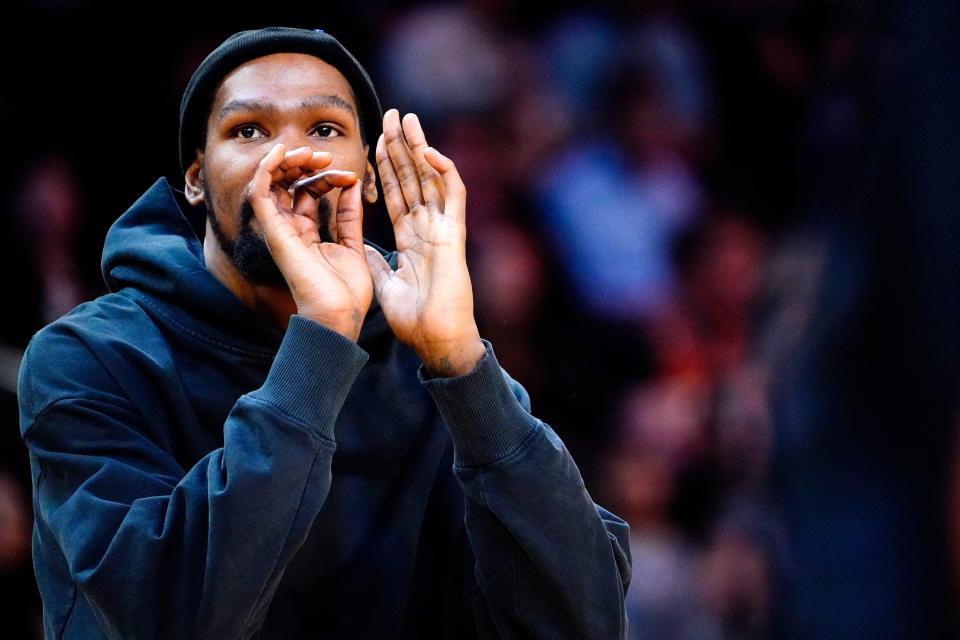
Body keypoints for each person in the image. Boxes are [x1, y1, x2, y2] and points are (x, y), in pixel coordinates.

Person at [18, 26, 631, 639]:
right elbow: (164, 619)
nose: (291, 159)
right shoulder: (89, 358)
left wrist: (464, 366)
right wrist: (321, 336)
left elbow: (582, 623)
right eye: (248, 130)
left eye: (325, 130)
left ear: (368, 177)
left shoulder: (430, 357)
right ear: (196, 179)